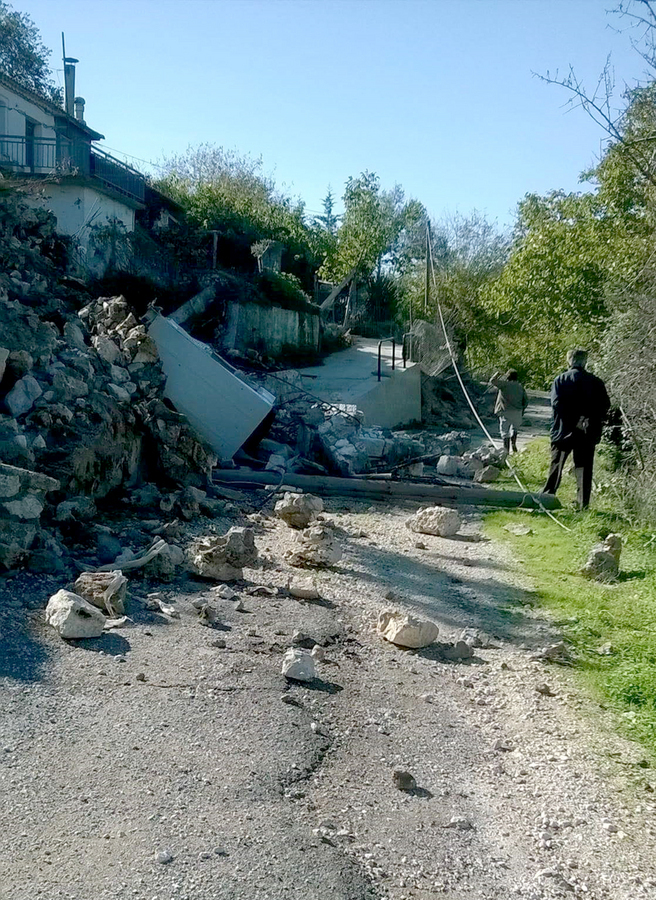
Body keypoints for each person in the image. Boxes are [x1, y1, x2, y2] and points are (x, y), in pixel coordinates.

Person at [542, 348, 610, 510]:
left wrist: (573, 420)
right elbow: (604, 405)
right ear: (585, 362)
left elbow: (556, 404)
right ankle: (583, 504)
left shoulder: (560, 380)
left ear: (569, 361)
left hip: (563, 430)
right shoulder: (596, 382)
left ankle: (546, 497)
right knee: (584, 469)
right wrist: (584, 418)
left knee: (556, 465)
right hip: (587, 431)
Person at [489, 369, 528, 454]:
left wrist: (498, 374)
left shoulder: (504, 385)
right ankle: (513, 444)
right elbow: (526, 400)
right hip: (517, 411)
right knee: (515, 428)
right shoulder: (520, 387)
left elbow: (492, 381)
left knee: (504, 432)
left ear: (507, 377)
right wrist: (522, 410)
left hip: (505, 411)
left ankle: (506, 450)